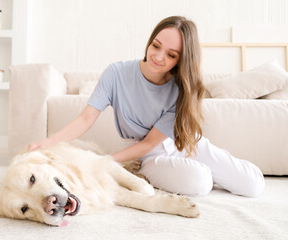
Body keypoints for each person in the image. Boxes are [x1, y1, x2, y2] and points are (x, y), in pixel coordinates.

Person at [28, 16, 265, 197]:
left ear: (181, 60)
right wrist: (49, 142)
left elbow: (158, 138)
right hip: (148, 154)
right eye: (156, 45)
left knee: (253, 185)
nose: (158, 57)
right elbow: (86, 119)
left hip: (187, 143)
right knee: (200, 183)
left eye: (171, 55)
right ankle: (193, 172)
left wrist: (104, 162)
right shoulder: (116, 73)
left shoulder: (180, 88)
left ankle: (210, 169)